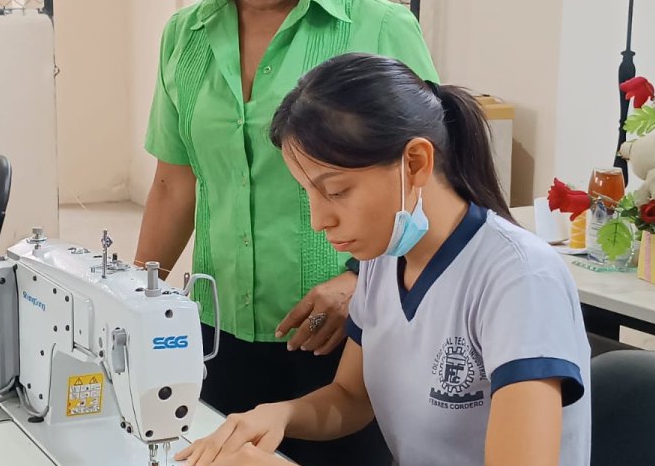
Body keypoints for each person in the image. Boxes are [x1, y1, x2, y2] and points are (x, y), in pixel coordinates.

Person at [135, 0, 438, 466]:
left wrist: (357, 283)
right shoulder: (185, 38)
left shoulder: (379, 27)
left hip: (339, 339)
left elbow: (432, 187)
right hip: (216, 331)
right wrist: (133, 301)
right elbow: (173, 182)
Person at [177, 53, 592, 466]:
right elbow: (351, 397)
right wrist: (279, 414)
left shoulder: (520, 278)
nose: (320, 220)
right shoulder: (384, 258)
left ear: (415, 162)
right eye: (308, 193)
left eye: (336, 192)